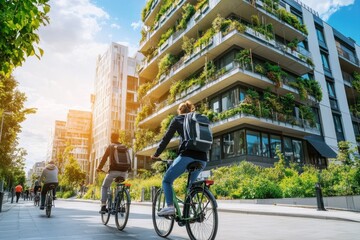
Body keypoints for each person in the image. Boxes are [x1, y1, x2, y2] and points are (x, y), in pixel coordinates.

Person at [151, 101, 207, 216]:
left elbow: (166, 139)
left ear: (179, 111)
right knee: (191, 186)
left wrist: (156, 154)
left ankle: (170, 207)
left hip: (186, 156)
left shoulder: (177, 119)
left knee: (166, 181)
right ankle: (193, 212)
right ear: (190, 110)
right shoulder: (198, 119)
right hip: (203, 158)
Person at [96, 132, 130, 214]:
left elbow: (104, 159)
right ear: (118, 138)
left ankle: (103, 206)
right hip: (124, 172)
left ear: (111, 138)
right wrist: (129, 170)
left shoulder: (111, 146)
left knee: (104, 187)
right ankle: (117, 205)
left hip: (113, 171)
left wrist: (99, 168)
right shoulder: (124, 147)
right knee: (119, 186)